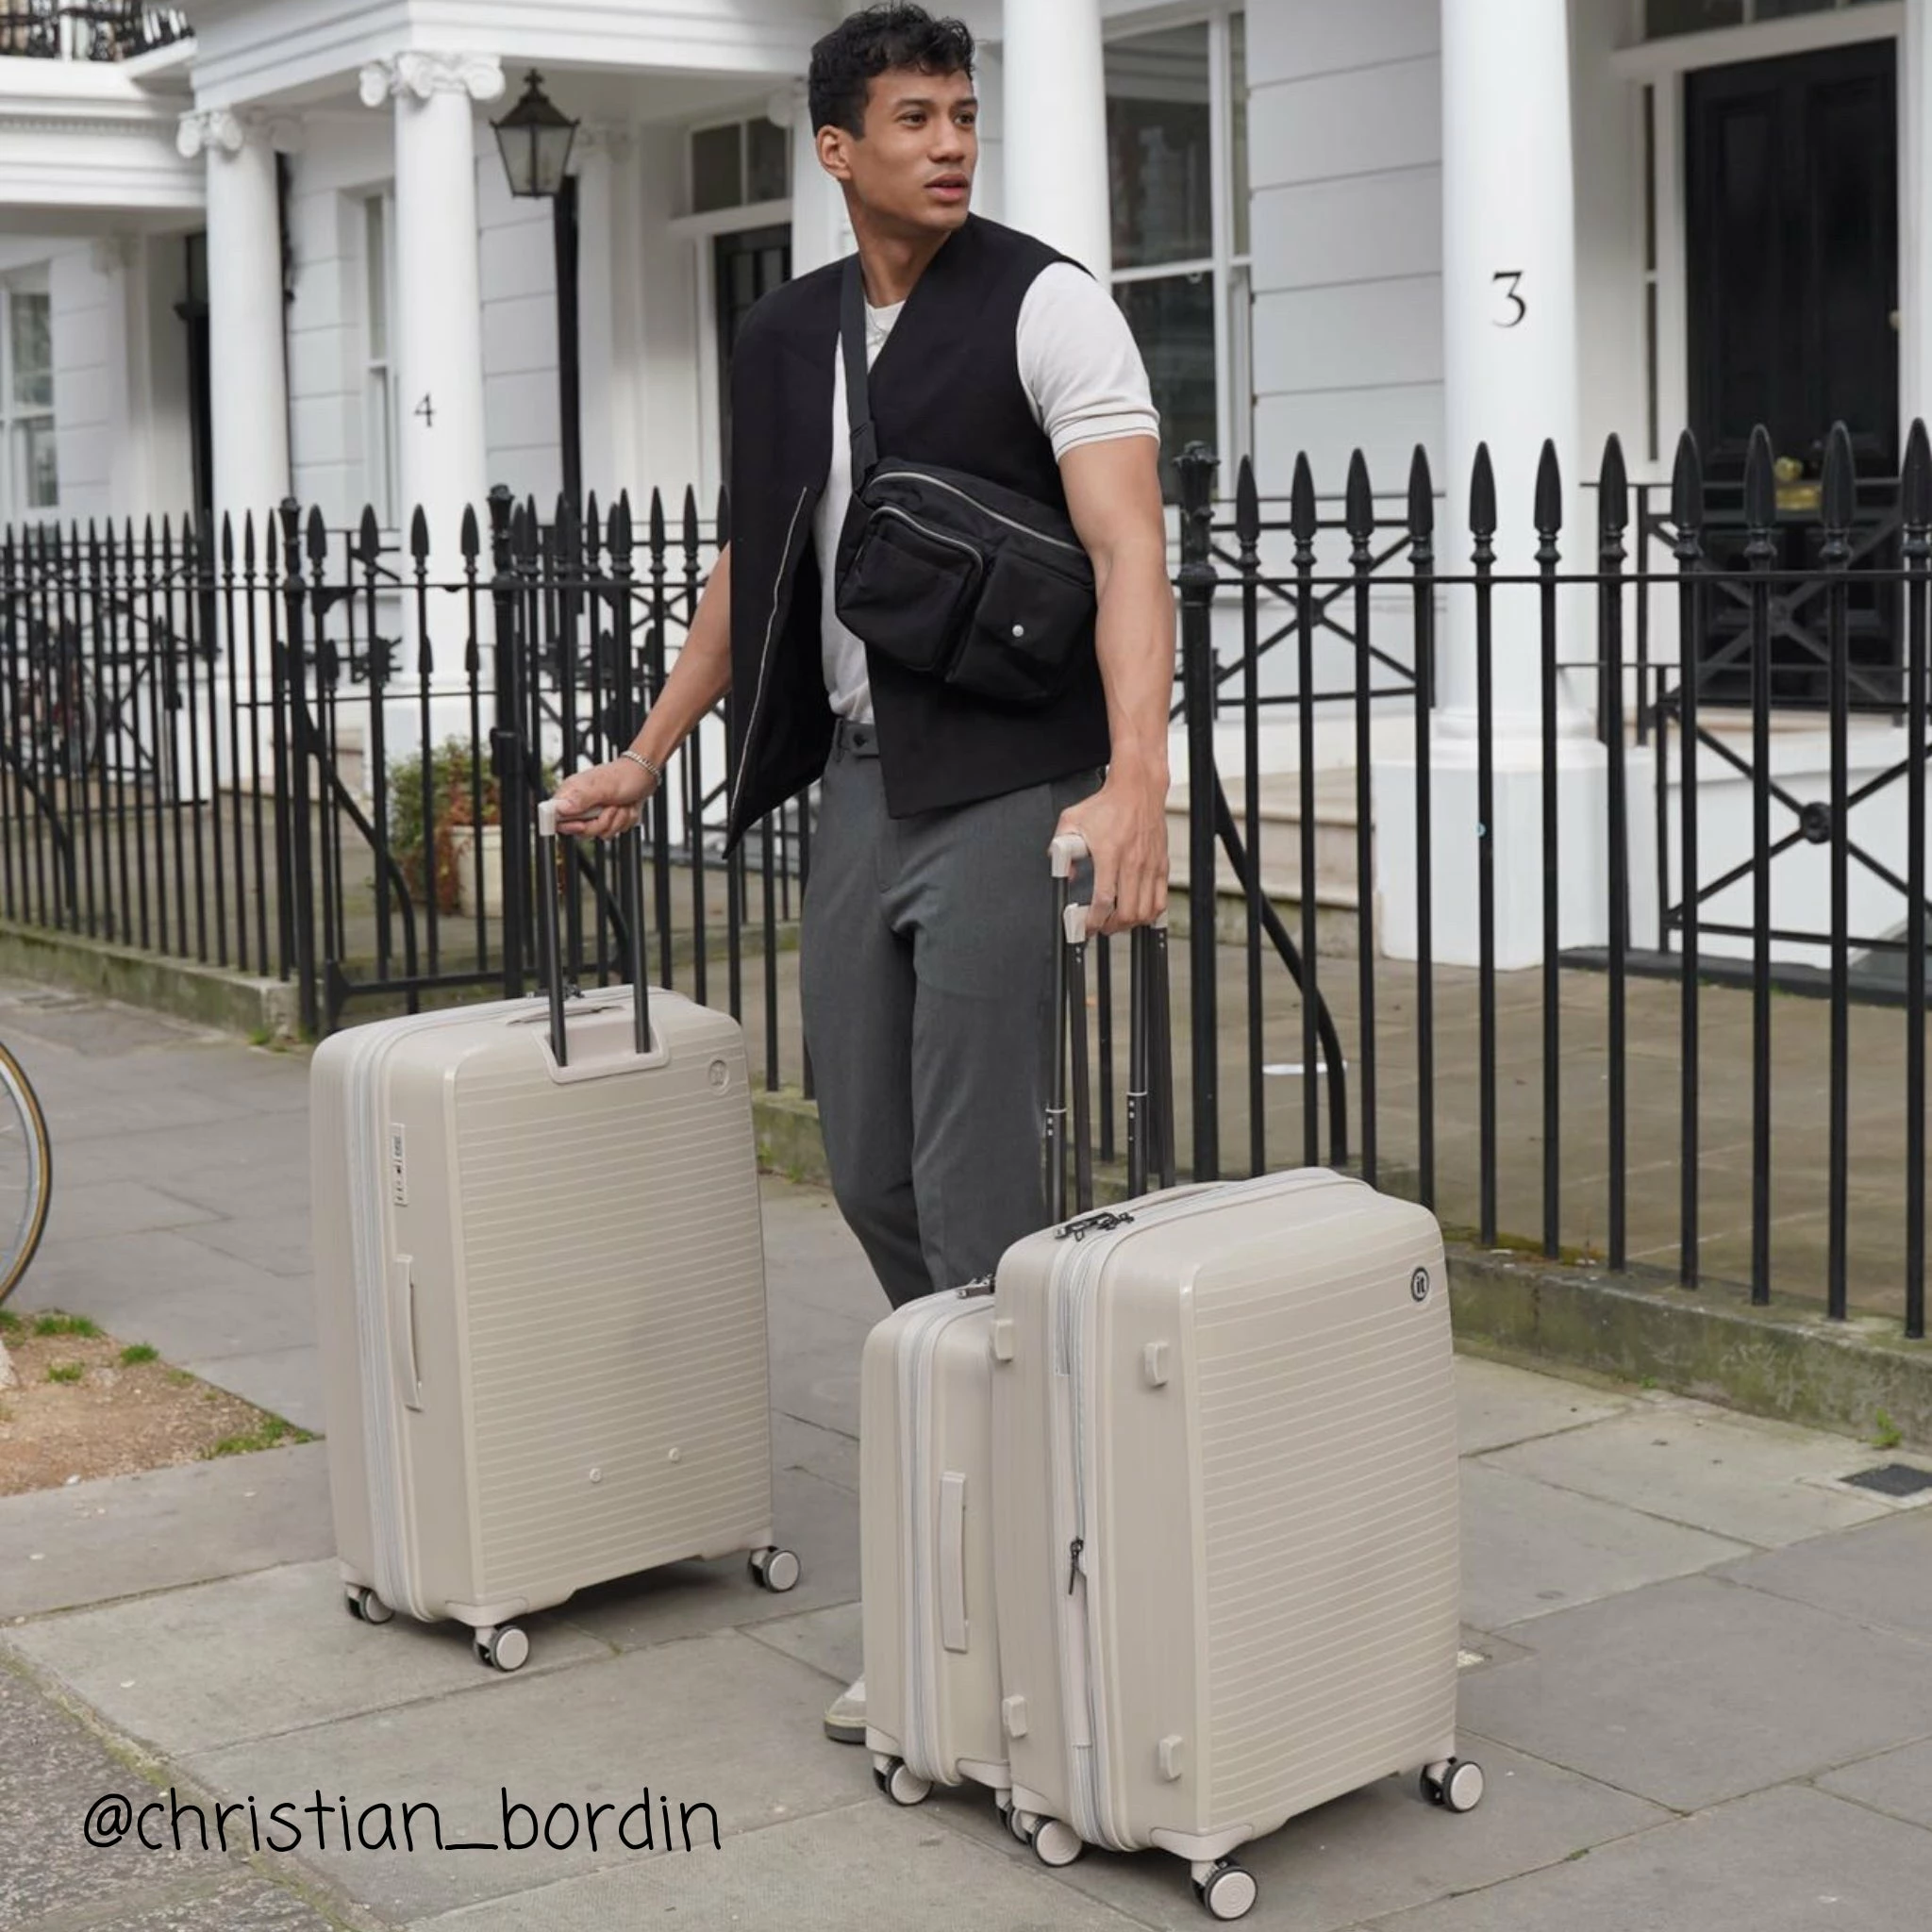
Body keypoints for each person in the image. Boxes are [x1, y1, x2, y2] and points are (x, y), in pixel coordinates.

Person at [550, 3, 1174, 1744]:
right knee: (867, 1169)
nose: (951, 142)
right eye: (914, 117)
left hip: (1008, 789)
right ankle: (1020, 1452)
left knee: (976, 1197)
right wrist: (651, 749)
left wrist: (1136, 780)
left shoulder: (1049, 303)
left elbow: (1131, 545)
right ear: (836, 148)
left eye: (963, 113)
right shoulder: (783, 335)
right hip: (858, 794)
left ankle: (1007, 1602)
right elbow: (752, 567)